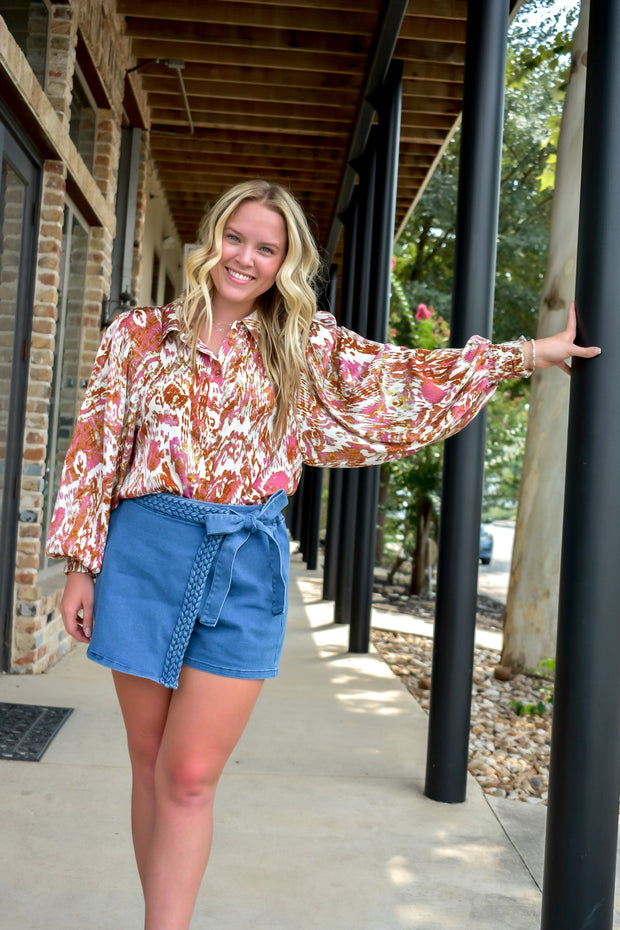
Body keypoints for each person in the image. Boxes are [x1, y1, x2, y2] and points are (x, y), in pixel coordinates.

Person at [46, 179, 601, 930]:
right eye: (235, 237)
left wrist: (525, 353)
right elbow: (97, 445)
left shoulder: (301, 344)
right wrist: (81, 564)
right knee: (151, 768)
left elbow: (403, 376)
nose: (245, 257)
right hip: (145, 554)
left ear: (285, 263)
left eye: (265, 248)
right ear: (211, 237)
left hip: (244, 563)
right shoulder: (139, 334)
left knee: (190, 773)